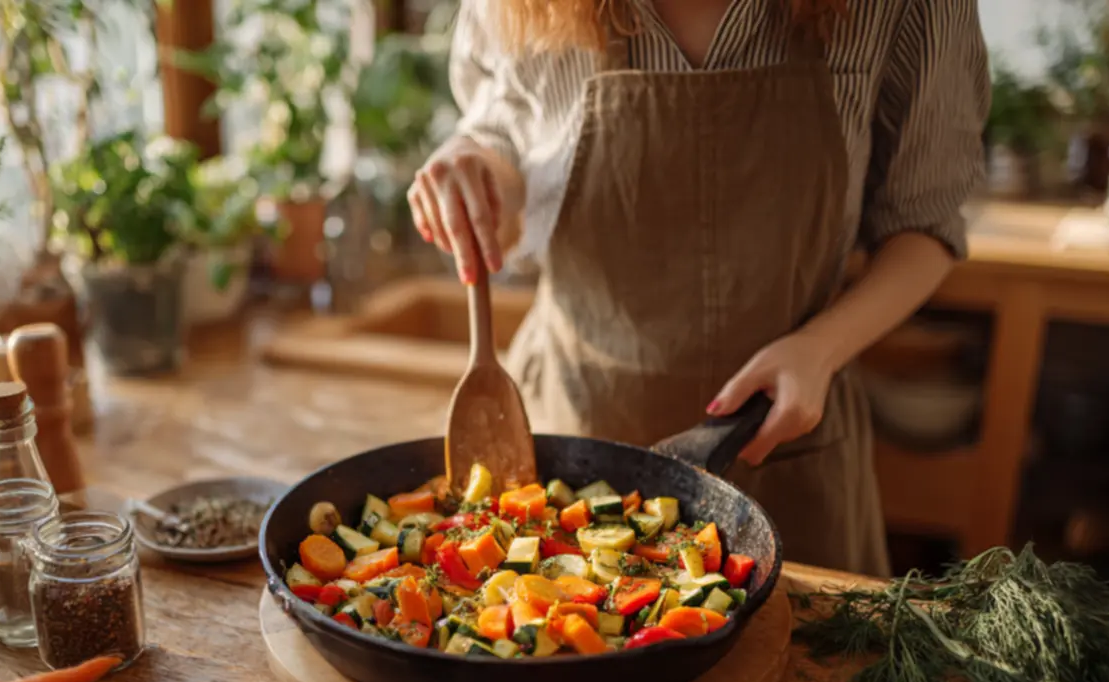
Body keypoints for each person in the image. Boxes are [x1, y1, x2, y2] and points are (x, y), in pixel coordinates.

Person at [407, 0, 989, 575]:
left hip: (783, 450)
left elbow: (923, 224)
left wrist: (821, 348)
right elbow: (505, 147)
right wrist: (475, 168)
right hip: (572, 435)